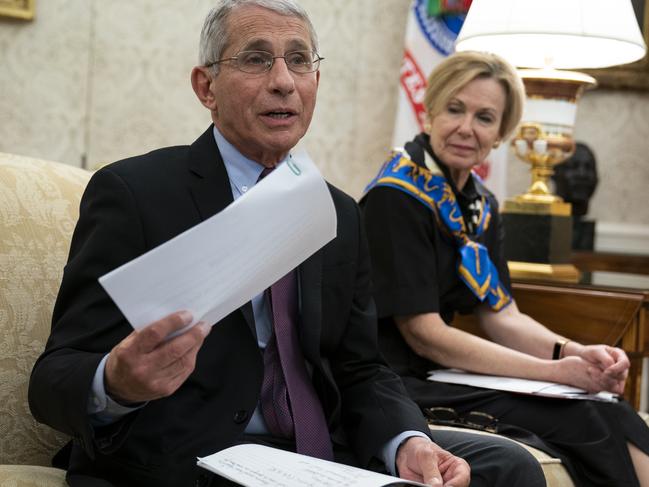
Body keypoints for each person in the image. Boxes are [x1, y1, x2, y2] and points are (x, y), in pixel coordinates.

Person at [27, 3, 545, 486]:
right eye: (256, 60)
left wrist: (404, 440)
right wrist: (116, 383)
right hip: (188, 457)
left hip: (314, 453)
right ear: (206, 86)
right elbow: (54, 376)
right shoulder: (135, 194)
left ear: (315, 80)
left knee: (506, 466)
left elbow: (361, 367)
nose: (283, 82)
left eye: (299, 61)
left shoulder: (339, 212)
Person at [361, 50, 649, 487]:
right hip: (394, 382)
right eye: (455, 109)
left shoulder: (481, 204)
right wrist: (554, 373)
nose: (466, 127)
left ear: (500, 134)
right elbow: (426, 334)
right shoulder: (396, 197)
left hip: (440, 373)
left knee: (609, 406)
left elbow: (502, 315)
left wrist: (573, 353)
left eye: (484, 117)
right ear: (430, 111)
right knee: (584, 417)